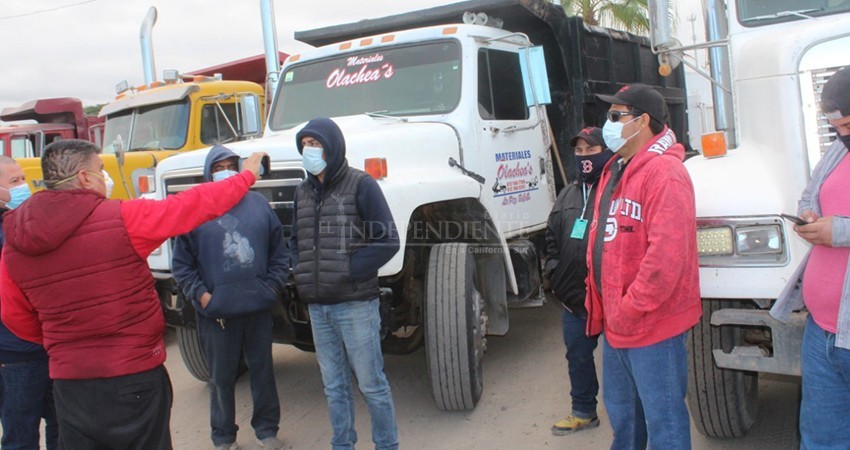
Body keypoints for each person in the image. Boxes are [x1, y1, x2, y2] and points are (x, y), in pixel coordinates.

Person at [0, 139, 267, 450]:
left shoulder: (15, 241)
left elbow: (16, 316)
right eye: (100, 170)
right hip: (134, 376)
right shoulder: (123, 219)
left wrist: (62, 342)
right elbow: (193, 205)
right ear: (86, 178)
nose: (105, 177)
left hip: (70, 383)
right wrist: (245, 176)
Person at [585, 84, 701, 449]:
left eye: (616, 116)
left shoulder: (665, 174)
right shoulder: (617, 168)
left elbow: (666, 258)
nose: (609, 124)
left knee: (663, 422)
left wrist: (631, 305)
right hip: (618, 323)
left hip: (651, 325)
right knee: (625, 418)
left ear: (643, 121)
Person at [291, 118, 400, 450]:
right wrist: (300, 269)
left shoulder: (361, 185)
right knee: (333, 387)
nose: (310, 151)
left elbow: (388, 240)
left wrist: (348, 269)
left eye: (315, 144)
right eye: (305, 145)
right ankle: (343, 444)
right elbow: (296, 240)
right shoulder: (302, 191)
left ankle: (387, 445)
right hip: (318, 308)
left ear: (333, 147)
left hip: (355, 305)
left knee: (371, 385)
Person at [172, 145, 288, 450]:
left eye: (230, 165)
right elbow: (182, 266)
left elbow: (279, 251)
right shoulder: (196, 209)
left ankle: (266, 431)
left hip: (257, 308)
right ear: (209, 173)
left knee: (262, 371)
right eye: (218, 166)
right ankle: (223, 437)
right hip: (217, 314)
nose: (225, 170)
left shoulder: (259, 204)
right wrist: (204, 297)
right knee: (221, 379)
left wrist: (272, 288)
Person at [770, 65, 850, 449]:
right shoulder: (838, 149)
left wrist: (840, 230)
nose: (843, 134)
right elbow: (809, 196)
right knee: (820, 439)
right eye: (836, 126)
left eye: (849, 124)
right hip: (822, 331)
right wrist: (810, 216)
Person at [545, 127, 612, 436]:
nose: (585, 157)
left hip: (611, 297)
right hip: (574, 298)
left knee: (620, 363)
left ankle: (629, 419)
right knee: (578, 356)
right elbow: (552, 236)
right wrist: (553, 272)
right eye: (580, 152)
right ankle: (584, 412)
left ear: (606, 151)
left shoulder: (617, 187)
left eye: (591, 150)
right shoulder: (569, 192)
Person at [0, 156, 59, 450]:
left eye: (24, 179)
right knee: (21, 434)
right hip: (14, 355)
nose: (24, 186)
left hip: (48, 346)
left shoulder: (25, 224)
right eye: (14, 182)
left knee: (63, 424)